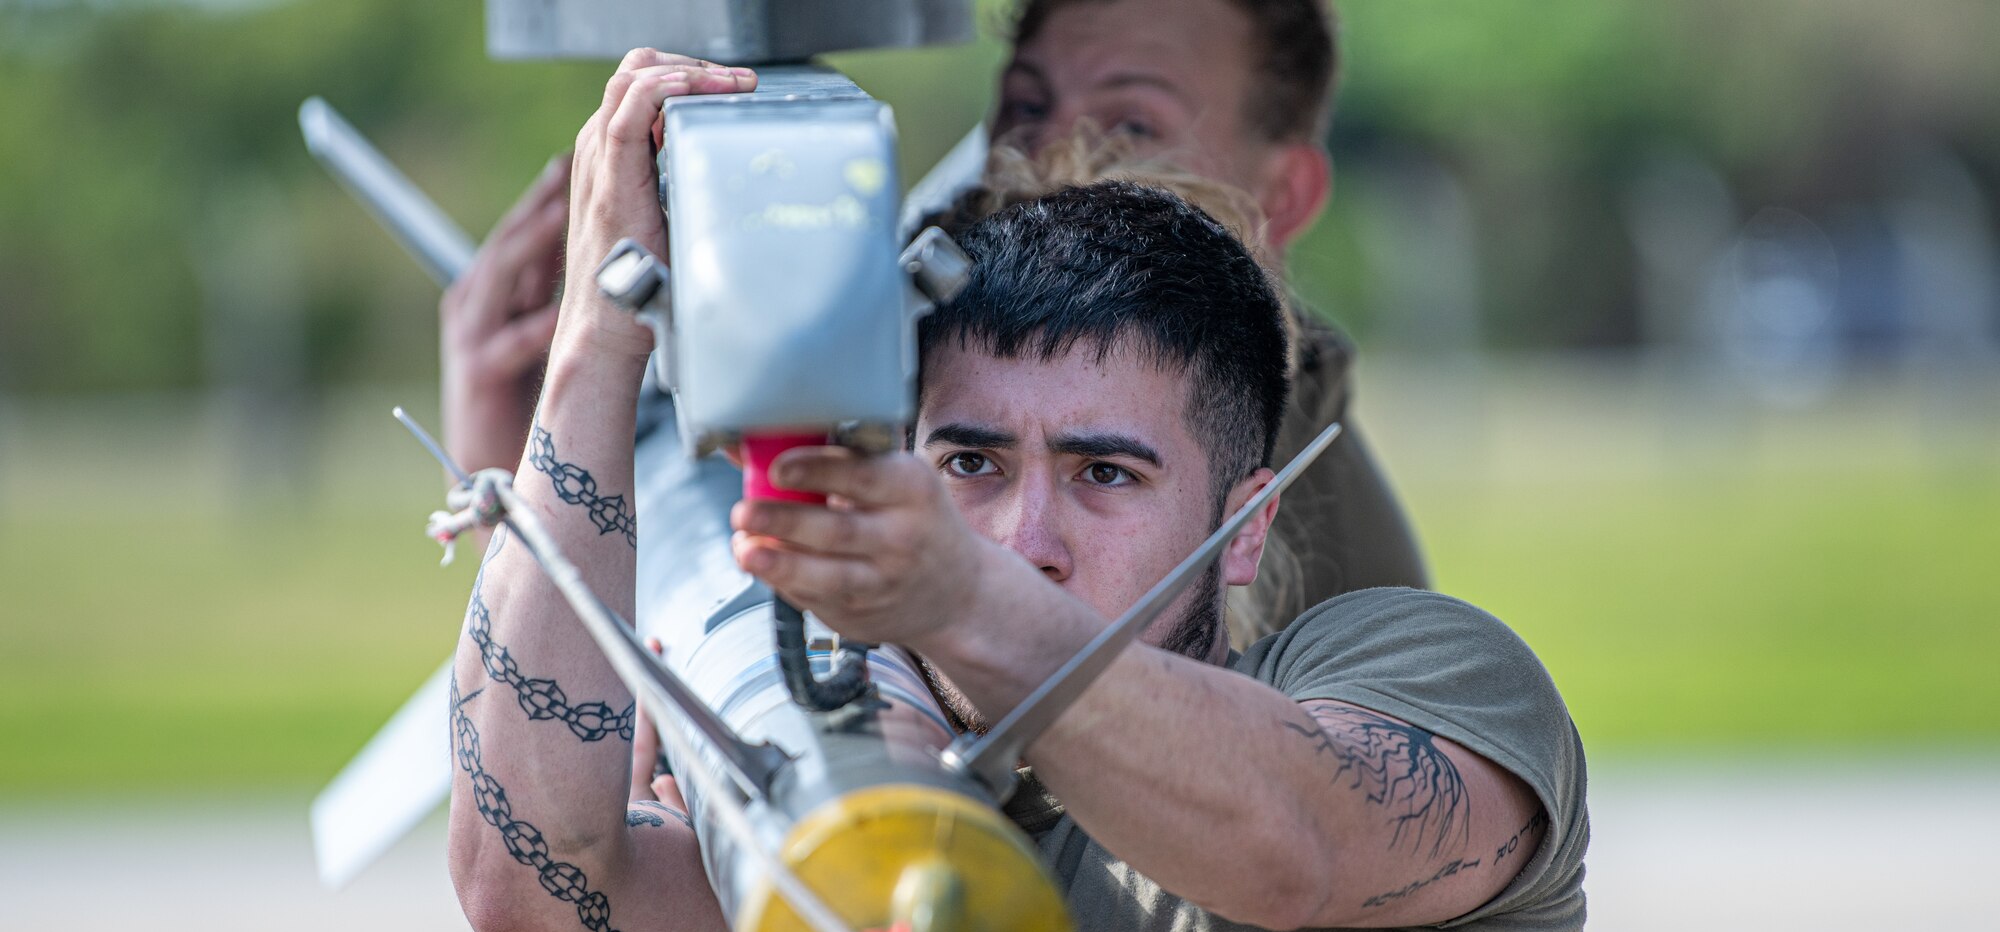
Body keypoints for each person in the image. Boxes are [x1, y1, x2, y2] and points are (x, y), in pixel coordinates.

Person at [449, 49, 1635, 932]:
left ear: (1243, 530)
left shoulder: (1418, 671)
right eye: (968, 462)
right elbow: (535, 896)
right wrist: (594, 344)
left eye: (1103, 474)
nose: (1025, 536)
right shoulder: (883, 828)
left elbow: (1290, 841)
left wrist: (952, 595)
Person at [443, 0, 1427, 641]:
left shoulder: (1328, 559)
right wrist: (526, 430)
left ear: (1284, 192)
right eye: (1025, 105)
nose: (1045, 156)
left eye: (1131, 125)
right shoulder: (910, 330)